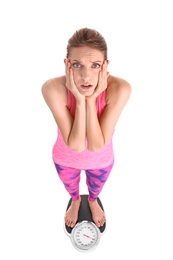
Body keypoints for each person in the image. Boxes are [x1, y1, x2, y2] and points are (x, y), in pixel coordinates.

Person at [41, 27, 131, 228]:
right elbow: (76, 145)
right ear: (67, 64)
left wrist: (91, 102)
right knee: (71, 188)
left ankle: (92, 201)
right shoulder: (52, 88)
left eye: (95, 65)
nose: (86, 76)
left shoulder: (120, 88)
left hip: (101, 160)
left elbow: (97, 145)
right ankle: (74, 201)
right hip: (65, 158)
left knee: (96, 190)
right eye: (77, 65)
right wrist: (81, 101)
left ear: (105, 66)